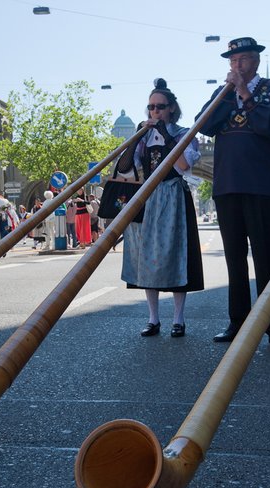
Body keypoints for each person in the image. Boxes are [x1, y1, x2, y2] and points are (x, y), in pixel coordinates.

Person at [197, 36, 270, 348]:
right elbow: (204, 125)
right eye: (233, 61)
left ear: (255, 61)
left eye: (242, 60)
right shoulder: (222, 93)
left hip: (260, 185)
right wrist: (229, 93)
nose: (236, 65)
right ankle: (237, 322)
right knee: (234, 260)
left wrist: (245, 93)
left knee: (266, 259)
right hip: (227, 185)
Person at [115, 78, 203, 338]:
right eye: (151, 107)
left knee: (176, 254)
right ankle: (153, 318)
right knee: (146, 257)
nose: (155, 112)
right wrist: (136, 138)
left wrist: (164, 133)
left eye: (160, 107)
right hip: (147, 198)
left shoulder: (184, 133)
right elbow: (125, 169)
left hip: (173, 196)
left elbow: (184, 166)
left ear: (172, 108)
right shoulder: (144, 136)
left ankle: (178, 318)